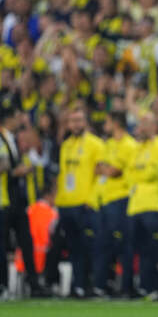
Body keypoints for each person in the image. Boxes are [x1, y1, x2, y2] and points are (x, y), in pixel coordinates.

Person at [55, 107, 105, 298]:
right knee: (74, 248)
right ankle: (78, 287)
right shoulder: (66, 145)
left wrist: (92, 199)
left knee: (92, 247)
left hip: (85, 204)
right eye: (72, 120)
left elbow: (101, 175)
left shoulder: (96, 144)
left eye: (79, 120)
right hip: (66, 203)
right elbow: (63, 174)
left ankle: (95, 285)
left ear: (86, 122)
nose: (75, 124)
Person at [0, 106, 45, 297]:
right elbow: (4, 167)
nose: (20, 120)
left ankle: (33, 284)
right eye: (18, 116)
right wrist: (17, 171)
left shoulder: (11, 137)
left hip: (16, 199)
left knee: (26, 241)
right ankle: (3, 285)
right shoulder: (2, 138)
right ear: (9, 119)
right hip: (4, 198)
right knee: (2, 244)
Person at [93, 111, 138, 297]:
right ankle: (104, 285)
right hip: (105, 200)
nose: (105, 124)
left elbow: (114, 171)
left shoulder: (130, 145)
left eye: (107, 121)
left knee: (123, 245)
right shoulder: (108, 143)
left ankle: (126, 287)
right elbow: (97, 168)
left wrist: (107, 169)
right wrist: (106, 169)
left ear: (116, 123)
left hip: (121, 200)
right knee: (105, 244)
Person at [127, 112, 158, 299]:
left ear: (154, 127)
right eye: (140, 123)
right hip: (135, 205)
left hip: (153, 204)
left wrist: (137, 173)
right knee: (141, 249)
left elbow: (151, 173)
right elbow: (128, 173)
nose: (141, 127)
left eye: (145, 123)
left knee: (155, 249)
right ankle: (146, 287)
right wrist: (138, 173)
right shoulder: (137, 148)